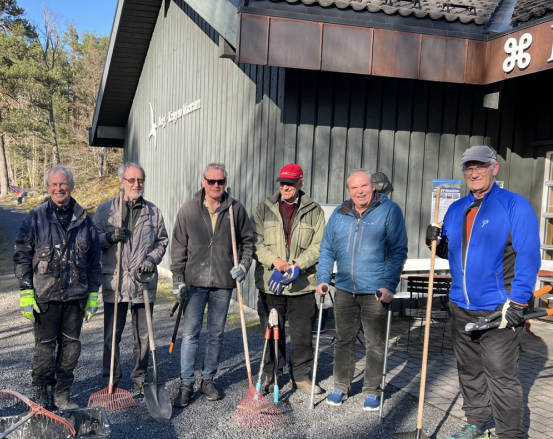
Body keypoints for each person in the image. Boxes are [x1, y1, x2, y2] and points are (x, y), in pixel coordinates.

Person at [426, 145, 540, 439]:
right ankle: (477, 424)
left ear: (495, 168)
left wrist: (518, 302)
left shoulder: (514, 206)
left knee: (501, 377)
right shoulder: (457, 208)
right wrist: (436, 241)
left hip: (498, 308)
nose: (473, 173)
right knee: (470, 371)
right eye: (468, 169)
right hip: (461, 304)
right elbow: (452, 254)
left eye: (480, 167)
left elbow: (529, 255)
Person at [316, 169, 408, 411]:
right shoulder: (340, 213)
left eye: (364, 186)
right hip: (345, 289)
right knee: (343, 340)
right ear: (349, 190)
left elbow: (398, 251)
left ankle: (372, 390)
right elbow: (326, 249)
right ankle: (340, 386)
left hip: (375, 290)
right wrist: (323, 278)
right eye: (354, 188)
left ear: (373, 187)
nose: (360, 191)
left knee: (375, 343)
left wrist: (389, 285)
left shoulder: (389, 211)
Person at [14, 165, 102, 411]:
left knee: (71, 349)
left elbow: (94, 262)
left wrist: (93, 295)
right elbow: (22, 255)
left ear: (71, 186)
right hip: (45, 296)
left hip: (75, 298)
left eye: (63, 184)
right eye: (53, 184)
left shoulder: (85, 220)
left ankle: (62, 393)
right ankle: (42, 392)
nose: (58, 188)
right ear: (48, 187)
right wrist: (24, 291)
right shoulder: (35, 218)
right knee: (44, 350)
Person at [170, 163, 253, 407]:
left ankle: (208, 379)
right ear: (203, 181)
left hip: (223, 282)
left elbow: (248, 242)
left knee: (216, 334)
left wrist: (245, 265)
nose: (216, 186)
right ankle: (186, 383)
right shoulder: (189, 209)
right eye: (212, 181)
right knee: (190, 334)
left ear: (225, 183)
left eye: (221, 182)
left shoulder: (235, 209)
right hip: (194, 282)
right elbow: (178, 247)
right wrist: (177, 279)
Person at [93, 162, 168, 394]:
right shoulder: (105, 210)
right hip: (114, 281)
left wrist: (152, 259)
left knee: (143, 335)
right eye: (132, 180)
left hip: (142, 281)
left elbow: (162, 241)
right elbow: (91, 239)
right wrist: (108, 237)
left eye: (140, 179)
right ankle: (111, 378)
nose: (137, 184)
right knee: (111, 335)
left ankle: (140, 376)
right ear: (122, 181)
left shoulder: (153, 212)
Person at [252, 163, 325, 395]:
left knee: (302, 333)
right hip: (270, 283)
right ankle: (272, 372)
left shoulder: (314, 211)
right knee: (272, 331)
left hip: (301, 284)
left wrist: (297, 266)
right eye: (283, 183)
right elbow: (254, 242)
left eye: (291, 183)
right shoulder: (264, 209)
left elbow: (319, 245)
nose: (286, 187)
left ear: (300, 184)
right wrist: (274, 261)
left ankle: (301, 376)